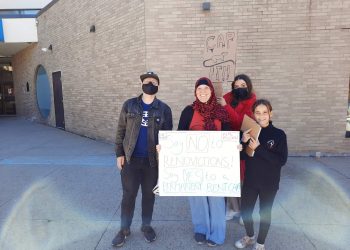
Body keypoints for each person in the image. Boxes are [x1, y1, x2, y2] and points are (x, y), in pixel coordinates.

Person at [112, 71, 173, 247]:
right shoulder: (129, 105)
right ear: (142, 84)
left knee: (148, 196)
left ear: (158, 86)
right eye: (147, 81)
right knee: (128, 196)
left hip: (152, 162)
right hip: (131, 160)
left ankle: (146, 227)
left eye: (154, 81)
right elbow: (120, 131)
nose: (150, 83)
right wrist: (119, 154)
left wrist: (165, 149)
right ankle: (124, 230)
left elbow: (168, 136)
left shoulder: (164, 109)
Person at [178, 77, 231, 246]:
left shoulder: (221, 112)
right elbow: (179, 136)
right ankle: (201, 229)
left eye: (206, 89)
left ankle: (217, 234)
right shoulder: (188, 111)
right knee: (197, 197)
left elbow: (229, 137)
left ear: (211, 91)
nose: (202, 92)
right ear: (195, 92)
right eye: (199, 89)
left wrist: (235, 146)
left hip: (216, 165)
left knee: (216, 199)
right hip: (194, 164)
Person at [234, 99, 288, 250]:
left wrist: (259, 148)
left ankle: (260, 243)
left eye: (265, 112)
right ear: (253, 114)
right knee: (245, 211)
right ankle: (250, 237)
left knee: (265, 213)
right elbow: (243, 157)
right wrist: (242, 144)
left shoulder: (278, 135)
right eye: (257, 113)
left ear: (270, 114)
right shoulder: (249, 131)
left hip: (269, 183)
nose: (261, 116)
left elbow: (281, 160)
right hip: (251, 180)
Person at [217, 74, 256, 222]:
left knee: (241, 179)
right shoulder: (227, 97)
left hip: (243, 141)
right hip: (227, 140)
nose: (239, 89)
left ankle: (244, 211)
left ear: (248, 86)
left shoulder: (252, 101)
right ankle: (233, 208)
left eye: (243, 86)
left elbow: (241, 122)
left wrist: (225, 107)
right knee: (229, 176)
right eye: (236, 86)